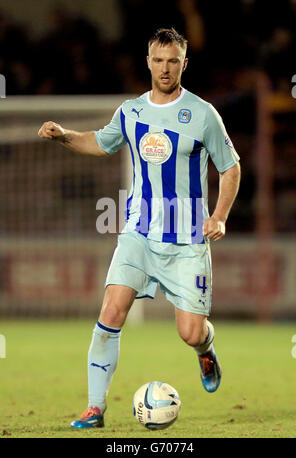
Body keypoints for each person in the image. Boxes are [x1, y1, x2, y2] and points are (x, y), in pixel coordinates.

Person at [38, 27, 241, 429]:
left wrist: (218, 216)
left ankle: (206, 347)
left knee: (190, 332)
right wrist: (63, 136)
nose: (165, 68)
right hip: (139, 234)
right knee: (111, 311)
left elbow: (231, 167)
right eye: (158, 60)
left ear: (184, 63)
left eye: (173, 61)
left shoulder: (202, 114)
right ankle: (95, 408)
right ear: (148, 62)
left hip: (187, 242)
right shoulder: (131, 112)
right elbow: (99, 142)